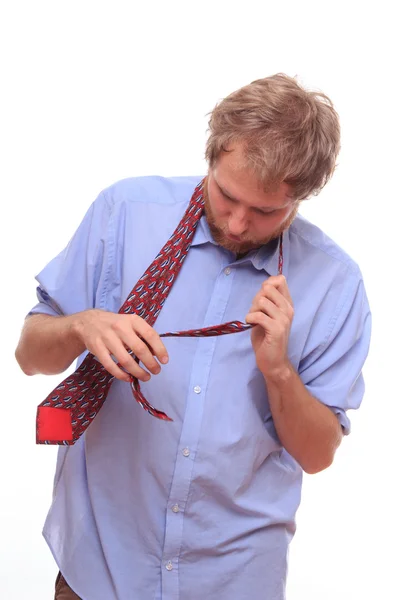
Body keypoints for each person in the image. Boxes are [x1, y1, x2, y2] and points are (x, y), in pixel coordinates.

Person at [15, 73, 371, 600]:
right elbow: (29, 354)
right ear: (211, 157)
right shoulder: (124, 214)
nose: (237, 222)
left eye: (266, 211)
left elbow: (318, 455)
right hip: (102, 566)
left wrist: (278, 370)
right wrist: (81, 325)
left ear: (302, 198)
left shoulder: (335, 285)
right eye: (226, 194)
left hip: (234, 577)